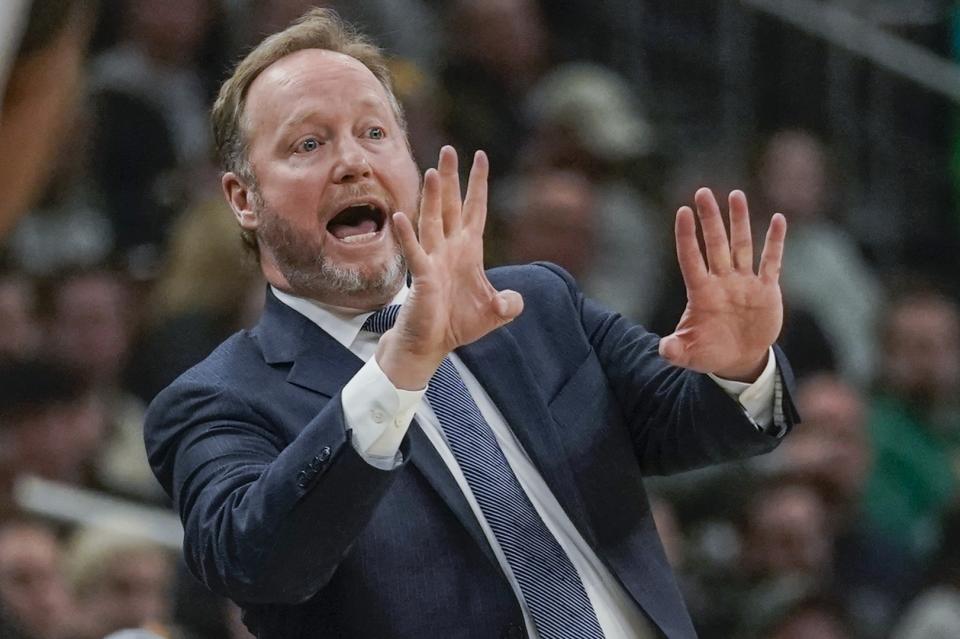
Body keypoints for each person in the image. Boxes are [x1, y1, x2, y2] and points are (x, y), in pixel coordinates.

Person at [144, 9, 797, 638]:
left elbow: (692, 423)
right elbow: (260, 563)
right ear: (243, 198)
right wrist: (401, 366)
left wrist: (739, 366)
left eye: (375, 133)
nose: (353, 162)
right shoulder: (214, 401)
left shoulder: (536, 305)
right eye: (308, 143)